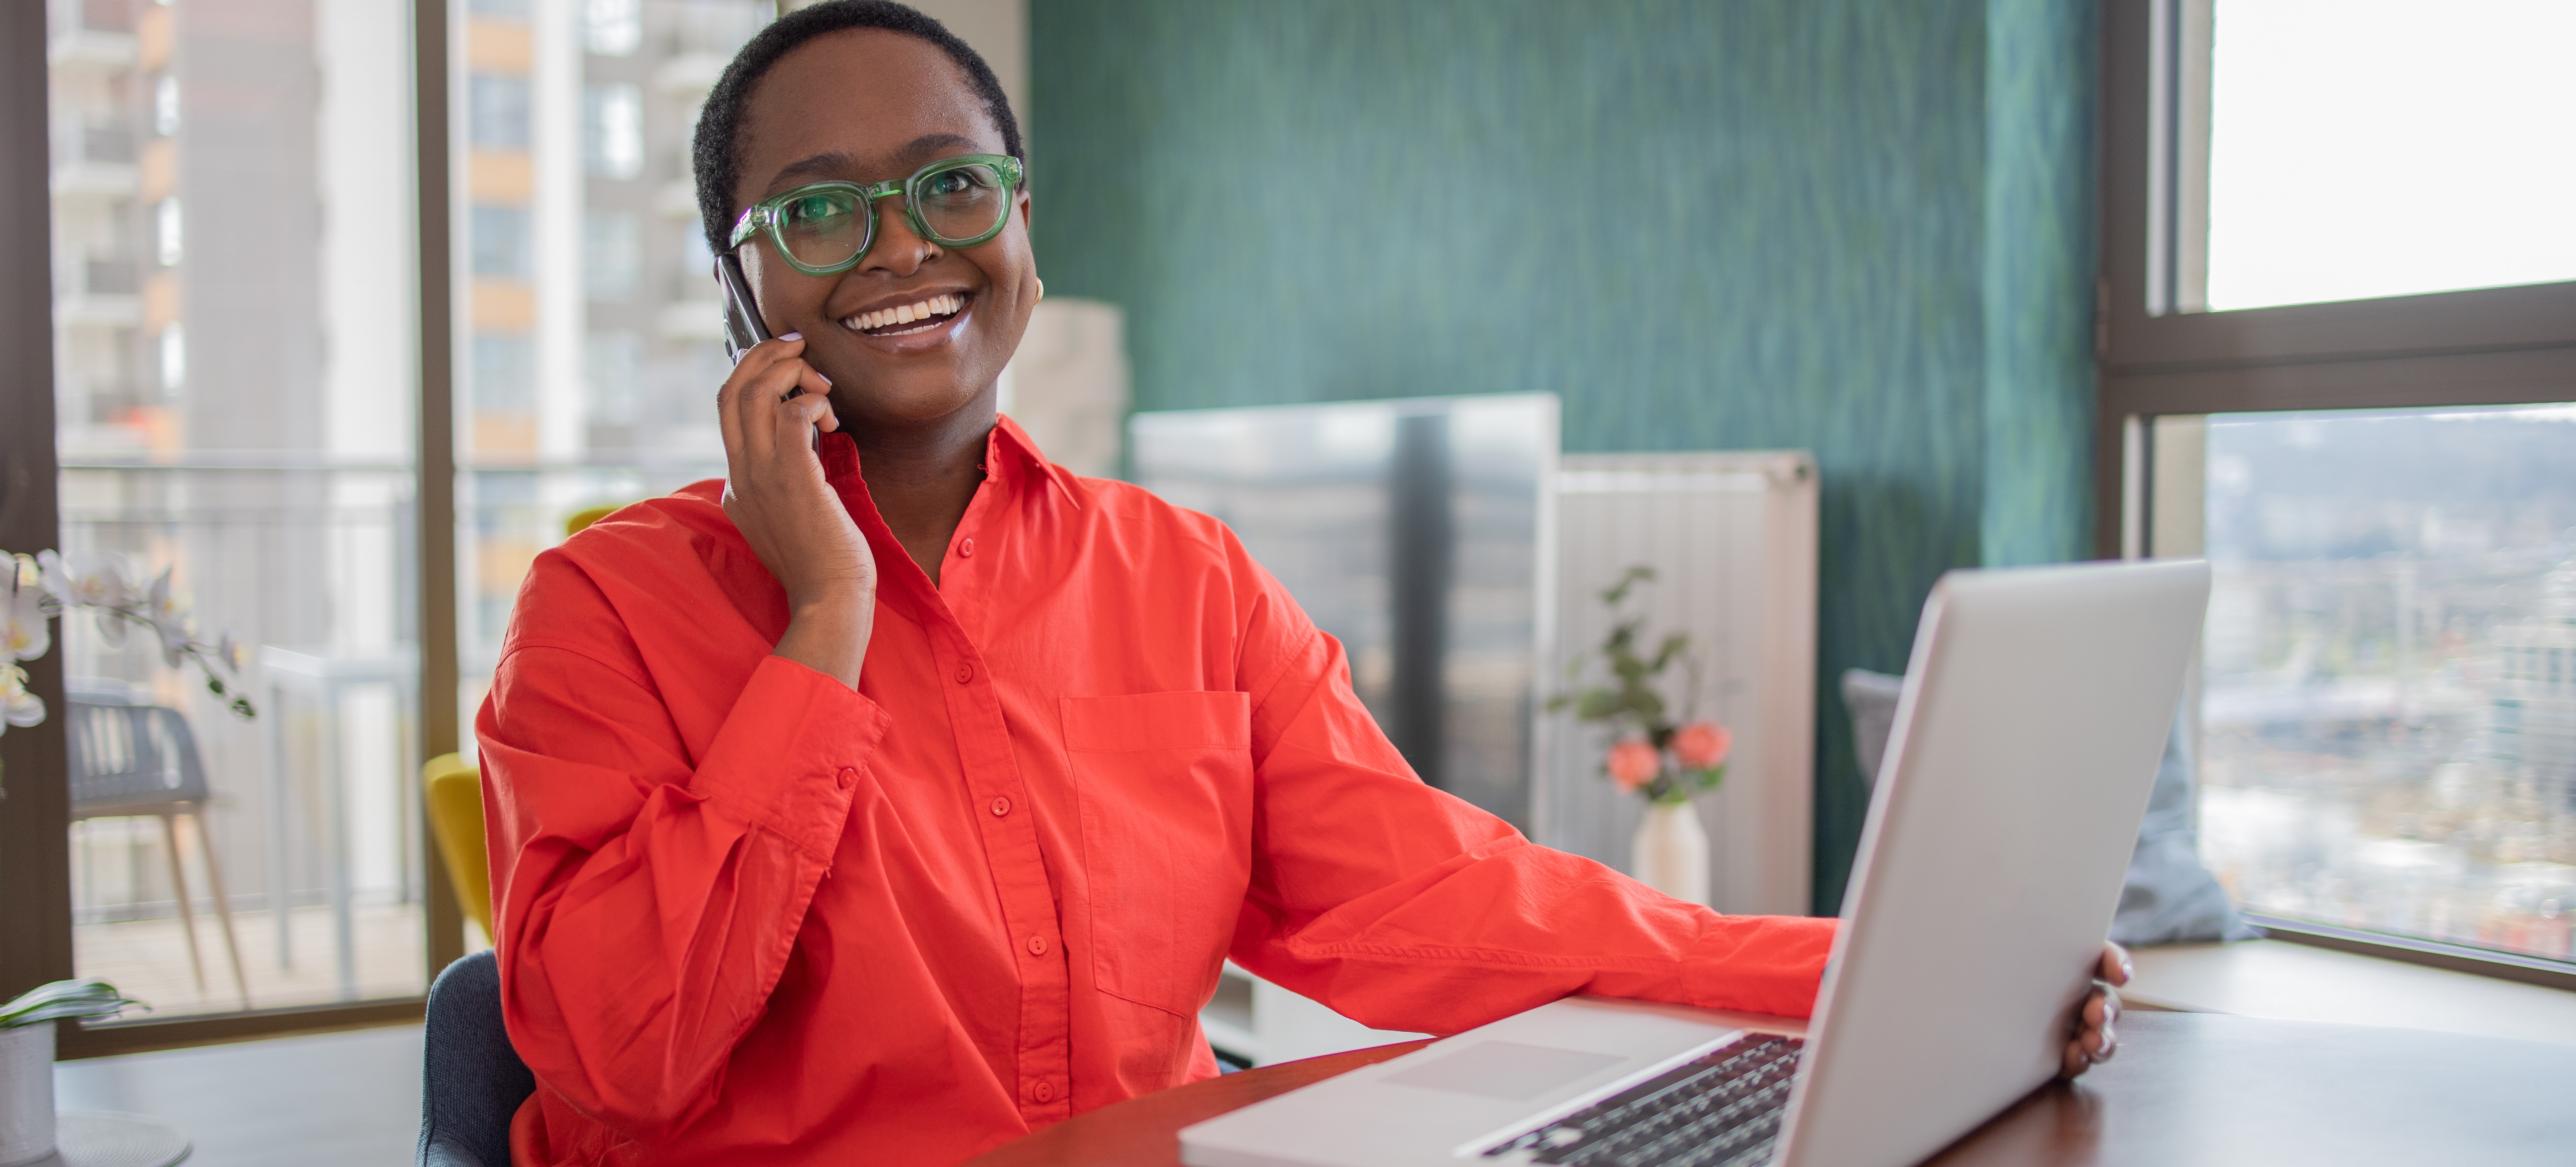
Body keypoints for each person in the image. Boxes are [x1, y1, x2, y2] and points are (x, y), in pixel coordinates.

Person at [476, 4, 2125, 1165]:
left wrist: (1869, 968)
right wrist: (826, 622)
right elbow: (624, 1050)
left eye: (950, 183)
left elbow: (1447, 901)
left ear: (1026, 234)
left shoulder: (1184, 576)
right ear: (740, 290)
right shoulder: (601, 611)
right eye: (819, 211)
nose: (902, 245)